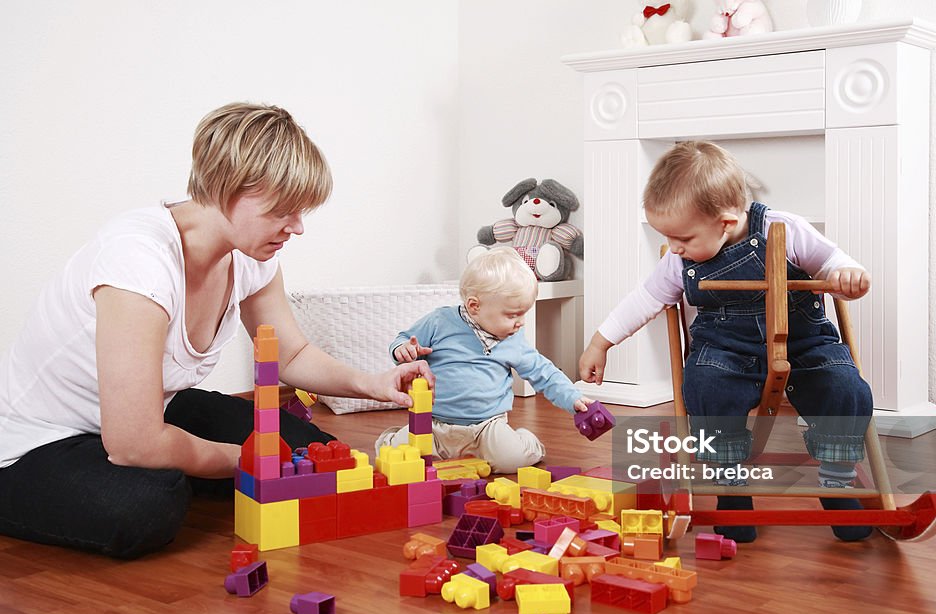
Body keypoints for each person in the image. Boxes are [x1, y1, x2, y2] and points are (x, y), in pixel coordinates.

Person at [0, 103, 432, 559]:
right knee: (147, 505)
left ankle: (197, 470)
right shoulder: (138, 262)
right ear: (227, 189)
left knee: (313, 450)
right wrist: (248, 460)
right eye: (282, 210)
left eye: (301, 210)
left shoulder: (251, 254)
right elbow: (133, 443)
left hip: (150, 413)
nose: (298, 227)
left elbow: (293, 354)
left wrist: (371, 384)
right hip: (44, 441)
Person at [578, 140, 874, 543]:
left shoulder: (782, 228)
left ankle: (837, 485)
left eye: (682, 237)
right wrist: (601, 341)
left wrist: (846, 275)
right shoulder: (679, 260)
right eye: (667, 236)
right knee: (705, 387)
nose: (675, 247)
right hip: (726, 352)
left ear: (726, 222)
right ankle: (732, 491)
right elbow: (645, 299)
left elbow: (831, 262)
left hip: (805, 344)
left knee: (846, 390)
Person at [376, 246, 593, 473]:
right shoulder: (439, 321)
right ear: (474, 306)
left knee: (512, 460)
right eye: (512, 315)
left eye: (523, 314)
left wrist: (573, 398)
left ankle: (526, 441)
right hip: (434, 423)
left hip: (487, 427)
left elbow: (544, 373)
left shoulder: (513, 340)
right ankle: (390, 438)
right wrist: (402, 349)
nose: (521, 323)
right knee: (403, 456)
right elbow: (402, 339)